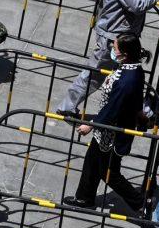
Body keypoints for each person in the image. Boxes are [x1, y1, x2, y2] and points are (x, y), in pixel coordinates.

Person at [63, 33, 151, 213]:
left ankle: (140, 203)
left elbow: (114, 107)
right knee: (92, 160)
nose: (112, 49)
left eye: (115, 48)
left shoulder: (128, 79)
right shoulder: (132, 68)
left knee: (109, 172)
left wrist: (92, 124)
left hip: (112, 131)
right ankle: (84, 197)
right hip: (107, 129)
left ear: (124, 54)